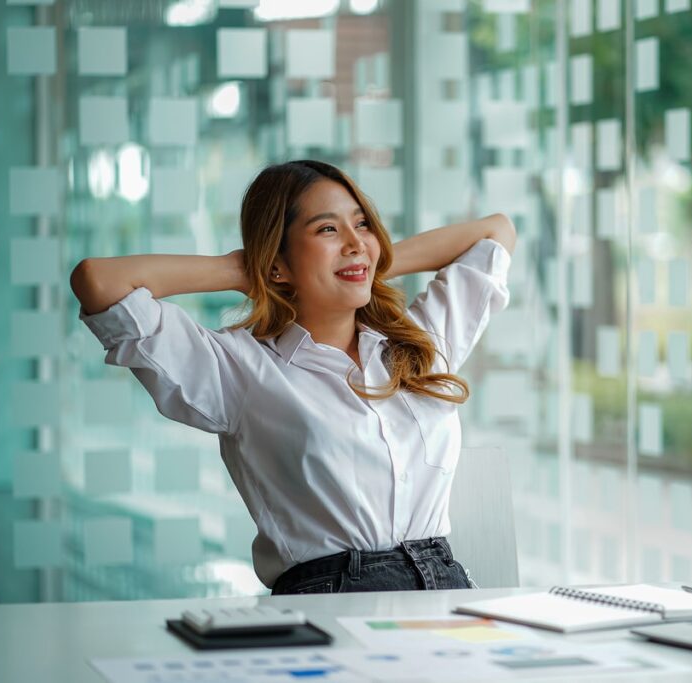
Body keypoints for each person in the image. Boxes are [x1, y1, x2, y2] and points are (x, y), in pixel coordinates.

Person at [70, 160, 516, 595]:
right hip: (332, 599)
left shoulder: (417, 345)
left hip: (446, 589)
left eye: (361, 225)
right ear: (277, 261)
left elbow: (496, 232)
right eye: (327, 229)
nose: (355, 242)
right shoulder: (241, 367)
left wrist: (371, 264)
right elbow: (99, 281)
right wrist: (246, 270)